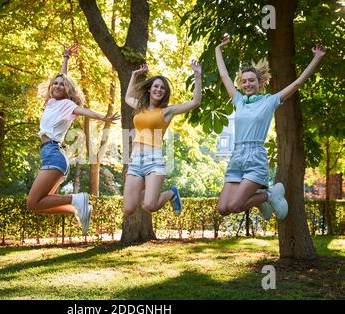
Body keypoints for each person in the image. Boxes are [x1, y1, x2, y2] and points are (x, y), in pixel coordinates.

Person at [215, 35, 326, 220]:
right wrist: (218, 48)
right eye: (244, 81)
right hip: (236, 158)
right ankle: (262, 199)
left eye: (251, 80)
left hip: (255, 159)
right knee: (222, 209)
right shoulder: (239, 101)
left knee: (235, 206)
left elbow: (297, 83)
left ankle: (269, 195)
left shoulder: (270, 101)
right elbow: (224, 75)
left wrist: (317, 58)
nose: (247, 84)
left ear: (260, 83)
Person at [26, 45, 119, 234]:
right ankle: (78, 209)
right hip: (49, 155)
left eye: (62, 85)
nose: (58, 86)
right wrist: (65, 58)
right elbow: (62, 78)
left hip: (54, 155)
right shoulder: (52, 102)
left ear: (67, 90)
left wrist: (104, 117)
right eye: (55, 84)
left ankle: (77, 199)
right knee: (39, 205)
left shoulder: (67, 105)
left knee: (33, 201)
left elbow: (85, 111)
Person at [123, 60, 202, 217]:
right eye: (156, 86)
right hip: (135, 159)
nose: (159, 90)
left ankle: (171, 193)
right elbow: (128, 97)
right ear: (150, 89)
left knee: (150, 205)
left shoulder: (167, 111)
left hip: (154, 160)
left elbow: (195, 102)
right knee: (129, 208)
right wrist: (134, 75)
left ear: (165, 93)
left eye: (163, 88)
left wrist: (197, 76)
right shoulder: (140, 107)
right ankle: (148, 191)